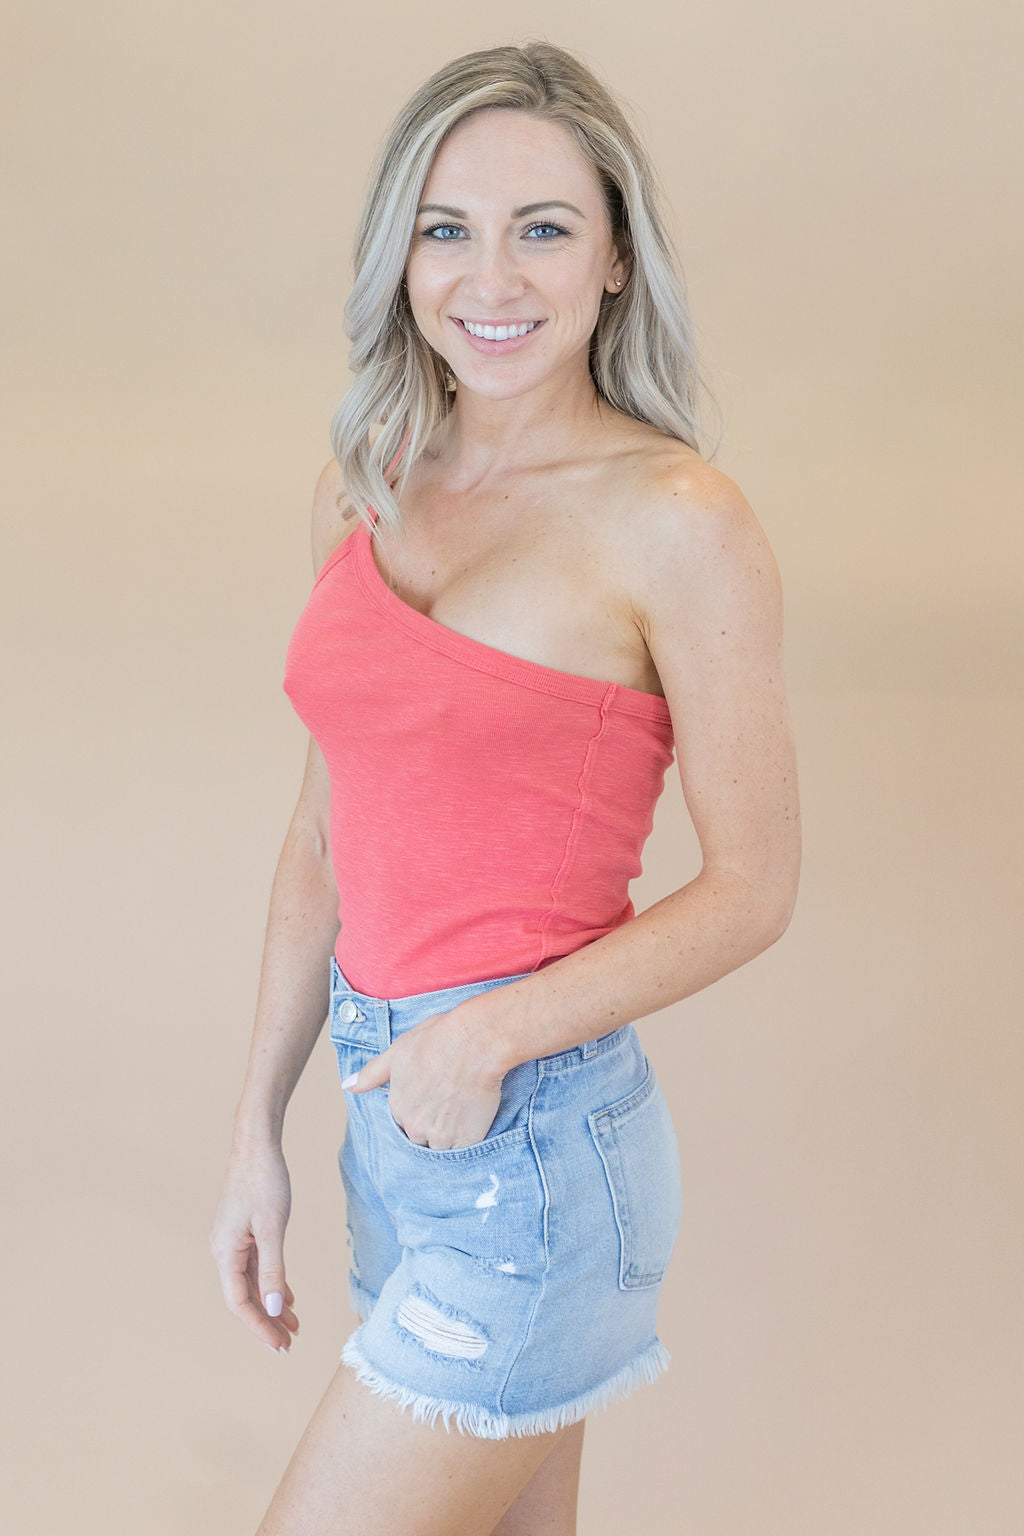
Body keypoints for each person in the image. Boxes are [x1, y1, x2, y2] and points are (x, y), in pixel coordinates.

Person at [209, 39, 801, 1536]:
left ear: (615, 260)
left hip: (529, 1141)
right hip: (392, 1123)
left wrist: (485, 1039)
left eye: (543, 228)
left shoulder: (677, 519)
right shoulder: (368, 481)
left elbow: (755, 888)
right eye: (446, 229)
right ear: (400, 256)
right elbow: (323, 838)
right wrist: (256, 1131)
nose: (492, 277)